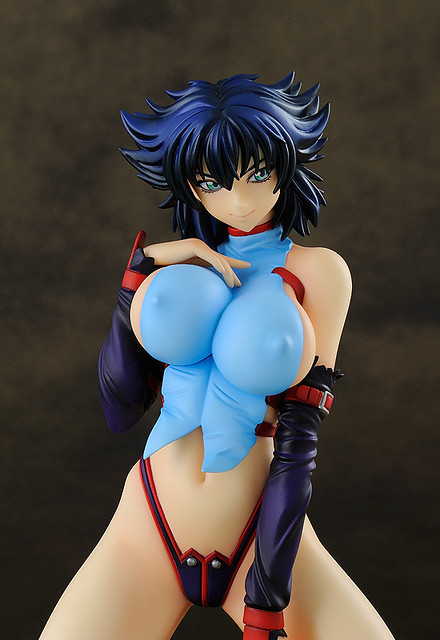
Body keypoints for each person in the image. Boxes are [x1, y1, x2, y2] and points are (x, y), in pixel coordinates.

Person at [39, 73, 395, 640]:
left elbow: (300, 440)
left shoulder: (318, 272)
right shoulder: (182, 266)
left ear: (286, 163)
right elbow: (119, 407)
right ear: (191, 186)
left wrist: (267, 595)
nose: (239, 199)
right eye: (211, 182)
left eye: (258, 173)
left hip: (258, 534)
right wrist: (139, 276)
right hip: (148, 523)